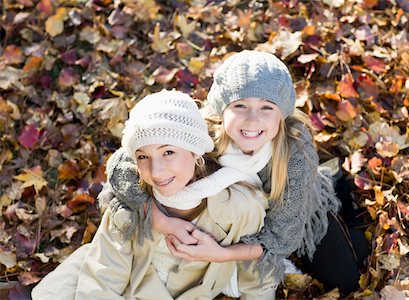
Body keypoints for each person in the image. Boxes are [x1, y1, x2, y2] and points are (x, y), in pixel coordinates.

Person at [93, 50, 366, 295]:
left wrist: (221, 254)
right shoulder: (201, 129)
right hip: (243, 214)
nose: (252, 120)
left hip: (295, 209)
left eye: (267, 107)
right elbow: (121, 167)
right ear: (221, 110)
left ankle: (335, 183)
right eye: (240, 105)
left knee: (346, 280)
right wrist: (163, 223)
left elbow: (281, 238)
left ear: (281, 115)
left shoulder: (294, 151)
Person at [31, 90, 276, 299]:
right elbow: (104, 276)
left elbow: (257, 276)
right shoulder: (131, 205)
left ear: (195, 152)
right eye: (143, 157)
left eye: (168, 152)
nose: (156, 171)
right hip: (114, 282)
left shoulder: (240, 206)